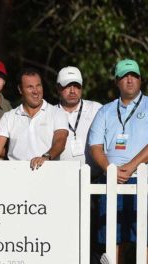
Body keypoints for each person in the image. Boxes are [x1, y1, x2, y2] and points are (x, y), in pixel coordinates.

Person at [88, 58, 148, 264]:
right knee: (112, 236)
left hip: (142, 178)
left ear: (140, 80)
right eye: (124, 76)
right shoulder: (105, 110)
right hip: (112, 180)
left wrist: (131, 167)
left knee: (144, 238)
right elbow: (95, 147)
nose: (129, 80)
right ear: (116, 81)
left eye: (134, 76)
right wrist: (110, 170)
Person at [0, 68, 68, 170]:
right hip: (16, 174)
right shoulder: (9, 116)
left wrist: (46, 157)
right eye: (30, 87)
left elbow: (60, 141)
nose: (36, 91)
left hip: (48, 172)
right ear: (20, 89)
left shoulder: (57, 113)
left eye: (38, 86)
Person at [56, 66, 102, 174]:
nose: (72, 91)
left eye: (76, 86)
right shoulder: (50, 113)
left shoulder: (96, 109)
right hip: (61, 179)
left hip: (94, 181)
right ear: (58, 88)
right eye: (67, 86)